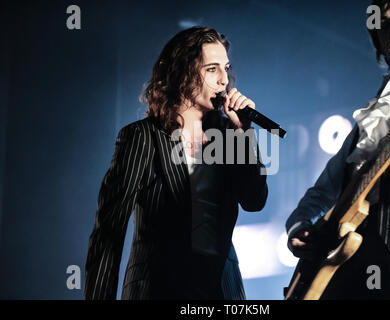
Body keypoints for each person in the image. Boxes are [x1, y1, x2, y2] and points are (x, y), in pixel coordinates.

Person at [85, 26, 268, 300]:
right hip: (158, 289)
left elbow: (254, 201)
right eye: (211, 69)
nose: (224, 80)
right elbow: (109, 233)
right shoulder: (142, 136)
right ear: (182, 74)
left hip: (222, 290)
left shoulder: (230, 132)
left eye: (226, 68)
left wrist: (244, 133)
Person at [286, 0, 390, 300]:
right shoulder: (370, 117)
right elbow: (321, 192)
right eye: (386, 24)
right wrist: (299, 225)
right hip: (345, 263)